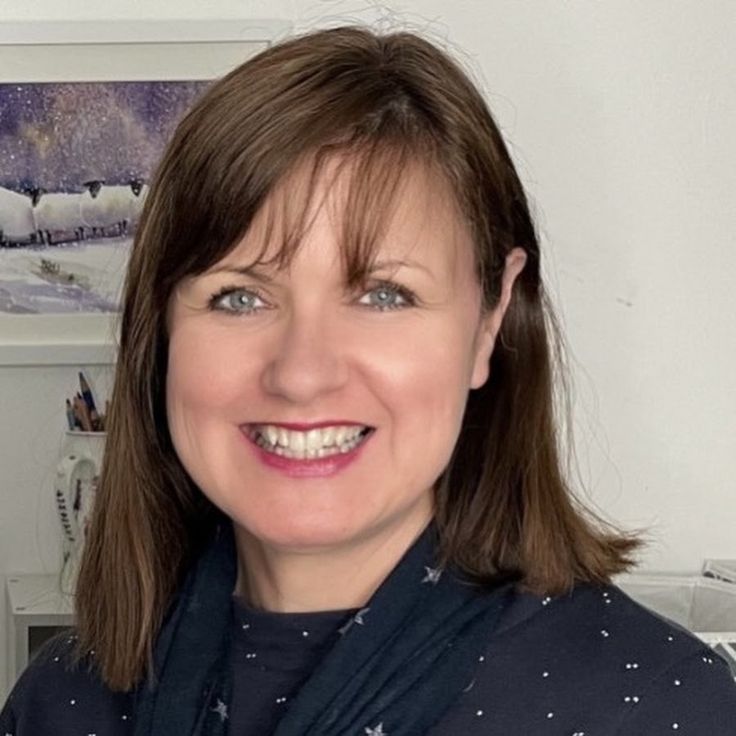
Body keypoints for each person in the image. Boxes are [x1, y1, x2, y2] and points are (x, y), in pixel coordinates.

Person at [2, 25, 735, 736]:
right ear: (161, 328)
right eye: (239, 296)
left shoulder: (665, 708)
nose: (302, 372)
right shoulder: (59, 703)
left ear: (489, 320)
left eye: (384, 294)